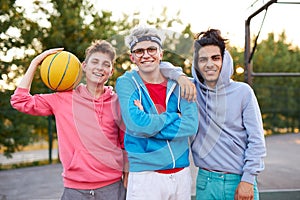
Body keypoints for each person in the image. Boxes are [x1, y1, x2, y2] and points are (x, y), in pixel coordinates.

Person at [10, 40, 127, 200]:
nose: (100, 68)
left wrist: (126, 180)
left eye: (106, 64)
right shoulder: (63, 99)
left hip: (113, 188)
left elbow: (125, 145)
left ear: (111, 71)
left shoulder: (118, 103)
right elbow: (20, 101)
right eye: (95, 62)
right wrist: (35, 62)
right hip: (75, 190)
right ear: (84, 66)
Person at [162, 29, 266, 200]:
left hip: (239, 180)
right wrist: (180, 77)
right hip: (206, 182)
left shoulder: (243, 92)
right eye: (203, 59)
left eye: (215, 58)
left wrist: (248, 179)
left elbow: (256, 140)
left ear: (224, 60)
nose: (209, 64)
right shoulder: (191, 89)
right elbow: (161, 67)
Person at [115, 24, 199, 200]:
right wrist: (174, 116)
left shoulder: (182, 84)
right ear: (132, 57)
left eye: (151, 49)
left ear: (161, 54)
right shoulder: (126, 83)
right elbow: (137, 125)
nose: (146, 55)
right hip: (145, 176)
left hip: (181, 175)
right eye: (139, 51)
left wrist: (150, 122)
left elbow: (191, 126)